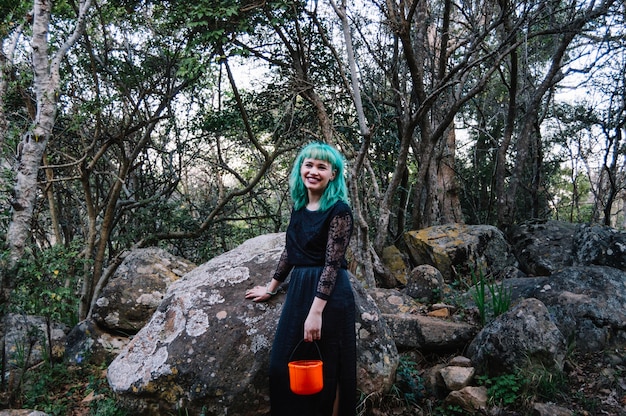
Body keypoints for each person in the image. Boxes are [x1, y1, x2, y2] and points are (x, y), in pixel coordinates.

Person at [245, 142, 356, 416]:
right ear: (300, 169)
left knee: (331, 368)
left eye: (322, 166)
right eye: (309, 165)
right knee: (280, 365)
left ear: (333, 174)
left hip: (329, 296)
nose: (314, 171)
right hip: (298, 290)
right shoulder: (298, 206)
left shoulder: (340, 211)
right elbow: (291, 251)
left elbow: (332, 264)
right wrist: (271, 288)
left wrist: (315, 312)